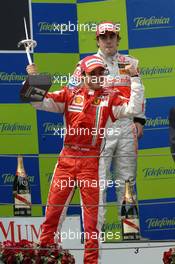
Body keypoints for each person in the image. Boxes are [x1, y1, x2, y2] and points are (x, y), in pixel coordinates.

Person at [26, 55, 144, 264]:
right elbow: (38, 103)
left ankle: (91, 262)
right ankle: (44, 258)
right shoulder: (69, 93)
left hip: (92, 162)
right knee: (52, 214)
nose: (98, 77)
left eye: (101, 73)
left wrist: (135, 78)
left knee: (92, 222)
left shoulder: (111, 97)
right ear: (83, 74)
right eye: (93, 73)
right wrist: (33, 79)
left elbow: (133, 109)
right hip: (67, 159)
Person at [69, 21, 146, 216]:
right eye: (104, 37)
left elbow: (139, 94)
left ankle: (130, 232)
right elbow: (71, 94)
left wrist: (139, 120)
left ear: (118, 39)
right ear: (97, 41)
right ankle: (96, 239)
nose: (108, 41)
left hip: (126, 127)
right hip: (99, 129)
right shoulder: (84, 65)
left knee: (127, 180)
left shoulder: (132, 63)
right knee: (98, 181)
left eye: (112, 36)